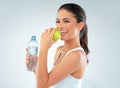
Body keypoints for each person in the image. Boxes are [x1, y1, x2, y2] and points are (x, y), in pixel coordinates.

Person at [25, 3, 90, 88]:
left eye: (66, 21)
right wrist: (35, 68)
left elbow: (41, 86)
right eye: (58, 21)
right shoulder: (60, 50)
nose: (60, 26)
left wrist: (44, 48)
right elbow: (47, 82)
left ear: (80, 25)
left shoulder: (77, 56)